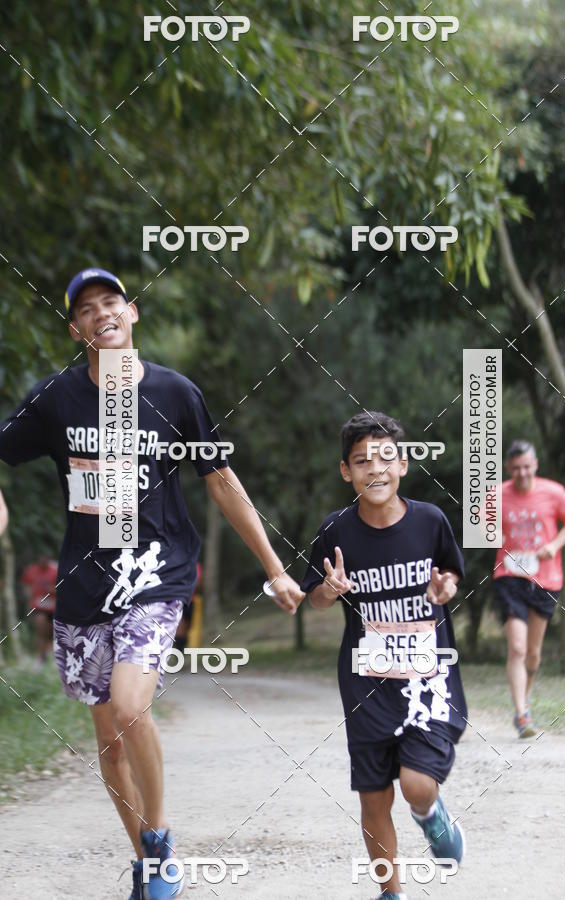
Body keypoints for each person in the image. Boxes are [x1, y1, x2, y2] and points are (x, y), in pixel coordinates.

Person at [0, 268, 304, 900]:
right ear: (75, 327)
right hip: (85, 587)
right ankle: (142, 858)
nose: (101, 314)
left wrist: (274, 568)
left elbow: (221, 481)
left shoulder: (175, 393)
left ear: (131, 312)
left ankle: (161, 842)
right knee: (110, 745)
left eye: (111, 302)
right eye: (86, 309)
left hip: (157, 574)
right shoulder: (56, 398)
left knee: (132, 702)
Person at [301, 412, 465, 900]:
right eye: (362, 461)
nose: (375, 469)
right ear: (345, 472)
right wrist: (329, 591)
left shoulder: (430, 521)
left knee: (416, 784)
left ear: (405, 464)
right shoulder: (334, 531)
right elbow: (314, 595)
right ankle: (391, 893)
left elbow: (451, 575)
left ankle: (430, 815)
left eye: (385, 457)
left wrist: (444, 588)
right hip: (366, 685)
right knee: (373, 800)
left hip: (426, 677)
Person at [493, 439, 565, 738]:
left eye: (527, 467)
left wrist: (553, 545)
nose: (522, 473)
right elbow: (481, 529)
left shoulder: (553, 492)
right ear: (508, 468)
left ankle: (524, 700)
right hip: (509, 576)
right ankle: (521, 714)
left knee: (532, 653)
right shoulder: (496, 495)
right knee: (517, 647)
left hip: (546, 577)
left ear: (535, 465)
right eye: (516, 468)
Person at [21, 554, 59, 663]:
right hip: (39, 608)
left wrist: (52, 590)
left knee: (52, 634)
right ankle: (40, 659)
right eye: (41, 558)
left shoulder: (56, 569)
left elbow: (65, 587)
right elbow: (25, 583)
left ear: (48, 559)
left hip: (55, 608)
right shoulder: (32, 570)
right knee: (41, 632)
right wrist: (29, 594)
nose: (43, 560)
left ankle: (50, 657)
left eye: (45, 558)